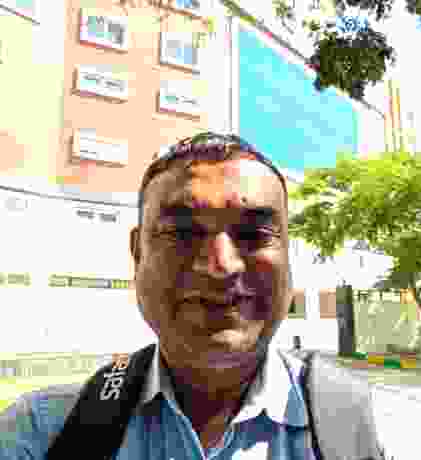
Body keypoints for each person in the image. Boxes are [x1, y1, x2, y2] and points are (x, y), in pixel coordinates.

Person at [0, 132, 384, 460]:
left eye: (253, 235)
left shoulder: (359, 425)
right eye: (182, 234)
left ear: (287, 255)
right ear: (137, 253)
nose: (221, 266)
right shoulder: (39, 434)